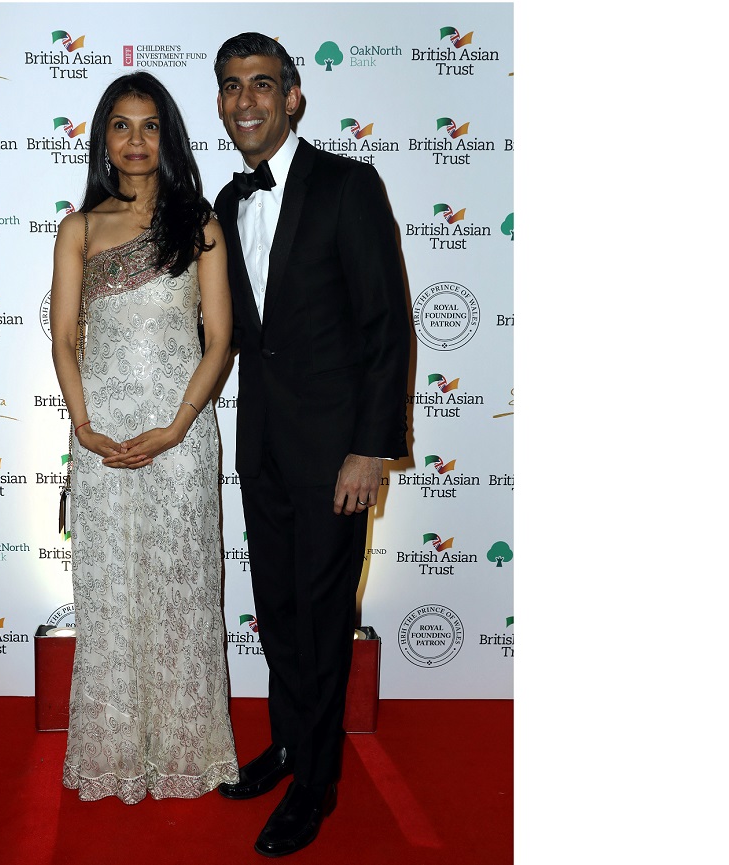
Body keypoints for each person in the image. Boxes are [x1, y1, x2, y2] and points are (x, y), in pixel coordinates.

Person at [212, 33, 411, 855]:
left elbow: (386, 325)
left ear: (293, 97)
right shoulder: (226, 203)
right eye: (232, 86)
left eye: (263, 84)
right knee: (281, 613)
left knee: (324, 619)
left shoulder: (347, 184)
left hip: (335, 456)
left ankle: (317, 784)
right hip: (261, 446)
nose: (246, 100)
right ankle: (291, 744)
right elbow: (232, 333)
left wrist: (370, 449)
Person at [49, 71, 238, 804]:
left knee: (182, 592)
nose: (135, 140)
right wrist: (85, 428)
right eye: (121, 126)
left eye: (150, 125)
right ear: (104, 137)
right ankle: (117, 753)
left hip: (180, 437)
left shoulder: (200, 223)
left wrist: (177, 427)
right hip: (103, 440)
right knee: (111, 597)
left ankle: (189, 750)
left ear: (169, 137)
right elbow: (65, 340)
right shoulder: (78, 229)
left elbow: (218, 342)